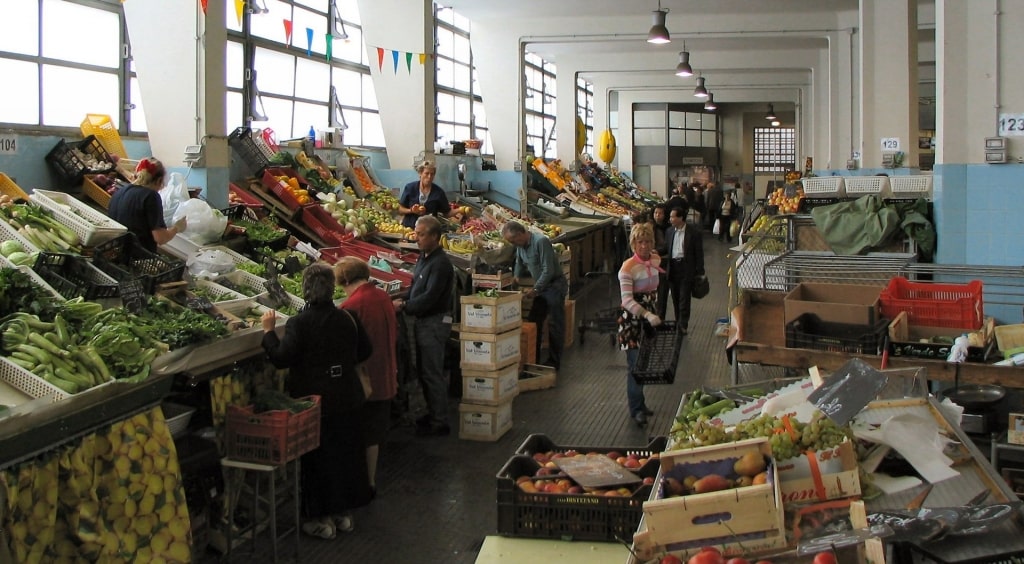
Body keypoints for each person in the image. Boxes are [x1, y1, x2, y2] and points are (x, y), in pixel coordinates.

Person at [260, 263, 374, 539]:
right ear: (332, 288)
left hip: (315, 403)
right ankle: (343, 514)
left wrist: (268, 332)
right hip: (347, 397)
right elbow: (366, 350)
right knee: (344, 454)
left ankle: (319, 519)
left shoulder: (300, 323)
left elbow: (281, 359)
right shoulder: (348, 318)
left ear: (306, 290)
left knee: (318, 460)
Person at [335, 257, 398, 495]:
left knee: (361, 432)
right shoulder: (382, 296)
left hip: (365, 380)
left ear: (346, 280)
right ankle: (369, 481)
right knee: (374, 433)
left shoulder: (352, 307)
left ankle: (361, 483)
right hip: (386, 373)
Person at [393, 215, 455, 437]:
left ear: (435, 237)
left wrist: (405, 306)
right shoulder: (424, 258)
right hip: (423, 322)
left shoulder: (441, 264)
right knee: (425, 370)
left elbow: (429, 297)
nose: (416, 238)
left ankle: (440, 422)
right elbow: (415, 287)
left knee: (432, 372)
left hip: (434, 323)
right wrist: (402, 298)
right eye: (416, 233)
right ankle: (433, 413)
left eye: (421, 234)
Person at [502, 221, 568, 370]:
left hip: (554, 286)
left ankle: (554, 361)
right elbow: (519, 261)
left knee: (554, 323)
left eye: (513, 241)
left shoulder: (541, 242)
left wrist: (535, 290)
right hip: (542, 287)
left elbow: (548, 270)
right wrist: (516, 276)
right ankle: (533, 357)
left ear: (520, 234)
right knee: (534, 321)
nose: (514, 244)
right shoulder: (521, 246)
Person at [618, 222, 662, 428]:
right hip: (632, 322)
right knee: (635, 366)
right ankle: (636, 409)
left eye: (647, 241)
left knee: (643, 364)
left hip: (649, 318)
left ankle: (641, 404)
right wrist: (646, 314)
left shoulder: (655, 259)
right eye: (640, 242)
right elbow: (627, 301)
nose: (644, 246)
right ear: (633, 244)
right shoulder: (627, 269)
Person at [107, 157, 186, 253]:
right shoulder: (151, 196)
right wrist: (177, 227)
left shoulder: (119, 192)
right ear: (159, 180)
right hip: (137, 259)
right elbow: (161, 238)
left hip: (115, 253)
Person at [664, 204, 705, 334]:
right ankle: (678, 321)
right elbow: (667, 248)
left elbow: (699, 252)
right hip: (673, 267)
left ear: (681, 218)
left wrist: (700, 270)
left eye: (672, 217)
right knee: (675, 297)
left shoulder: (693, 233)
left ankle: (683, 324)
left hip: (686, 268)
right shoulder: (669, 232)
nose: (670, 219)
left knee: (684, 298)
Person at [397, 160, 462, 229]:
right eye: (426, 173)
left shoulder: (438, 192)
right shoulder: (410, 188)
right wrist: (411, 210)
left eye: (432, 174)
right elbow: (400, 210)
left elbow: (447, 213)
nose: (429, 176)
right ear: (420, 173)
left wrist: (460, 210)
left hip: (429, 231)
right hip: (409, 228)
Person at [651, 203, 671, 319]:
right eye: (656, 213)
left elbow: (669, 244)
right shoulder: (649, 227)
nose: (657, 215)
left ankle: (660, 316)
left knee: (663, 291)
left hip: (664, 262)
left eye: (660, 213)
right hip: (651, 263)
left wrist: (659, 251)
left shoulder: (669, 229)